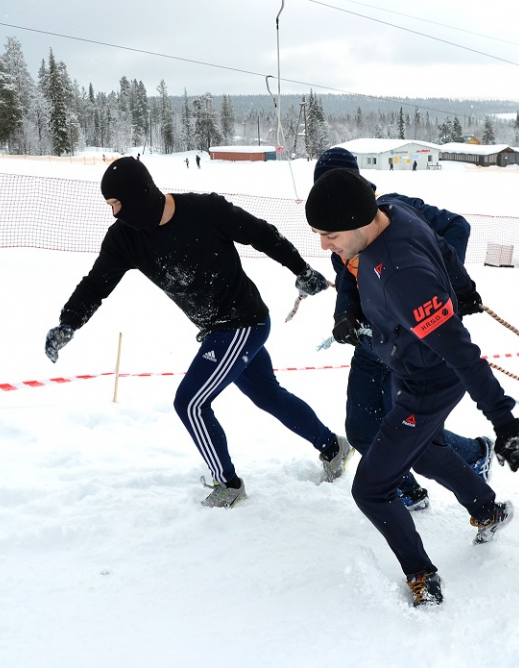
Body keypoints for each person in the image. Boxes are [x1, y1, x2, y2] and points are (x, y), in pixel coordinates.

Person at [44, 157, 352, 508]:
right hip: (217, 330)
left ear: (138, 197)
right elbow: (96, 283)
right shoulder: (125, 239)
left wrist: (301, 269)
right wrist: (68, 322)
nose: (114, 214)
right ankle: (332, 447)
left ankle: (228, 484)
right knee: (268, 395)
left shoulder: (206, 210)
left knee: (190, 402)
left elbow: (261, 234)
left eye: (117, 204)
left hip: (242, 322)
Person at [305, 169, 519, 607]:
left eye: (329, 234)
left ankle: (422, 576)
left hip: (426, 381)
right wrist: (464, 289)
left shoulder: (402, 276)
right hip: (408, 364)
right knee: (427, 449)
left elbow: (465, 358)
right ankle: (487, 509)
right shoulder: (395, 212)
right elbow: (447, 249)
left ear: (357, 220)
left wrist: (507, 425)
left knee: (370, 488)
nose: (324, 246)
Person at [313, 147, 492, 512]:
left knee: (413, 435)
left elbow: (457, 227)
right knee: (363, 428)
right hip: (373, 342)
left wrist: (445, 281)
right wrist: (344, 315)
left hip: (416, 337)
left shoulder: (394, 209)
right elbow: (346, 278)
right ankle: (406, 489)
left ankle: (476, 456)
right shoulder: (336, 229)